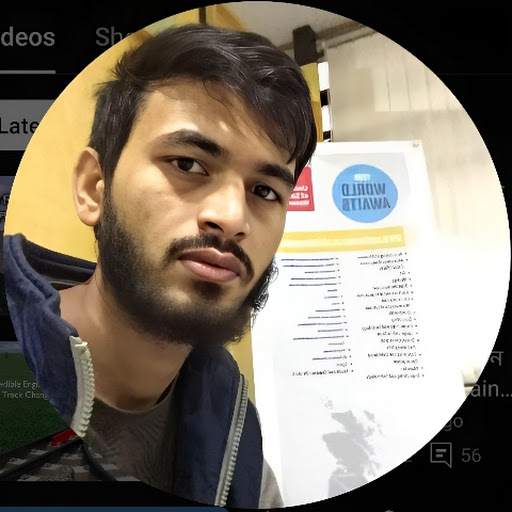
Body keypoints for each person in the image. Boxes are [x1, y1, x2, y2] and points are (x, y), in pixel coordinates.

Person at [3, 23, 317, 507]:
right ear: (94, 188)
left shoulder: (237, 443)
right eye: (187, 164)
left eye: (264, 191)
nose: (232, 218)